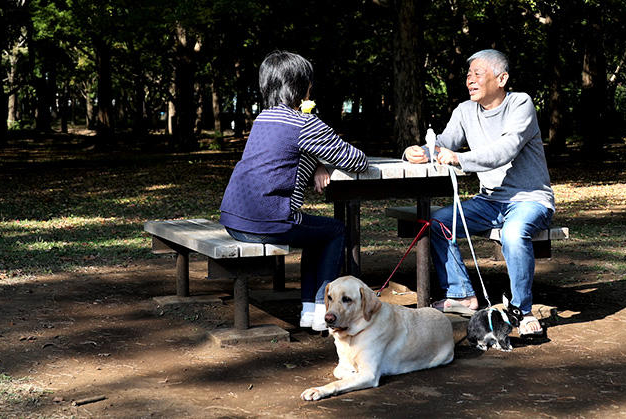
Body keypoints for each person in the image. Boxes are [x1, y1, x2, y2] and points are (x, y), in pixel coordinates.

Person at [403, 49, 554, 336]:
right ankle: (461, 295)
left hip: (529, 199)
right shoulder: (465, 111)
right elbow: (443, 143)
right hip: (489, 201)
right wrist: (419, 152)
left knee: (513, 233)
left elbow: (506, 149)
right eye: (468, 74)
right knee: (438, 222)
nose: (470, 80)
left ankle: (522, 311)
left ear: (502, 79)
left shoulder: (520, 104)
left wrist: (459, 158)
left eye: (478, 74)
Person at [219, 51, 369, 331]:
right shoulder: (304, 123)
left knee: (315, 235)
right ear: (300, 86)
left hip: (234, 218)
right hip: (267, 221)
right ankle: (322, 310)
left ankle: (310, 310)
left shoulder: (264, 118)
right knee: (336, 230)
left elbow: (289, 153)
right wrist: (323, 159)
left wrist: (318, 164)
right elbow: (357, 160)